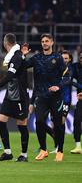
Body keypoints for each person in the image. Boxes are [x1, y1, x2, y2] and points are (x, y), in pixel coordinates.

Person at [0, 34, 30, 162]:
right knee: (0, 121)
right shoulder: (16, 55)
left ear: (5, 43)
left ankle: (24, 155)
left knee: (21, 124)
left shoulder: (16, 56)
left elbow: (10, 75)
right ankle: (7, 152)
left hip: (20, 96)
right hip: (10, 95)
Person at [23, 34, 66, 162]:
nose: (44, 43)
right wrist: (23, 55)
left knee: (58, 124)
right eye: (42, 41)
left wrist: (58, 86)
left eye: (47, 41)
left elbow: (67, 76)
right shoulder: (36, 58)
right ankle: (43, 150)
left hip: (56, 97)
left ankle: (60, 150)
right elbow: (23, 66)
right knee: (39, 122)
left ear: (52, 42)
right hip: (41, 96)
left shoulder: (57, 58)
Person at [70, 52, 82, 154]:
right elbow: (69, 78)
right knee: (77, 121)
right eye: (81, 57)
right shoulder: (76, 67)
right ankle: (78, 146)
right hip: (80, 100)